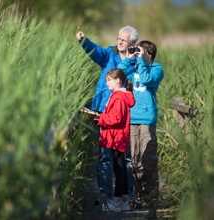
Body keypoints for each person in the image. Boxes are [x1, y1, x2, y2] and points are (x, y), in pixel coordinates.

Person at [76, 25, 139, 203]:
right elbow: (95, 52)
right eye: (118, 38)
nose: (119, 41)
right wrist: (83, 41)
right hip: (104, 109)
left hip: (124, 114)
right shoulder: (109, 55)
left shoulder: (136, 63)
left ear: (132, 43)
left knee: (124, 157)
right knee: (105, 155)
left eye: (123, 39)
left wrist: (136, 58)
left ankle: (126, 193)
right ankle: (105, 193)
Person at [118, 40, 164, 208]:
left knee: (148, 159)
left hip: (146, 119)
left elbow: (145, 79)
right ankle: (139, 198)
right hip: (132, 119)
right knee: (135, 161)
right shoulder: (135, 67)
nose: (138, 53)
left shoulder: (156, 69)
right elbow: (118, 76)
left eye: (141, 51)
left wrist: (141, 60)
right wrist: (128, 58)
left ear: (149, 54)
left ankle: (151, 198)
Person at [93, 68, 135, 212]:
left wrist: (100, 118)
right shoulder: (119, 96)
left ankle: (116, 201)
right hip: (118, 136)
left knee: (119, 169)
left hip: (116, 137)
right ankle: (124, 199)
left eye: (108, 80)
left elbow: (116, 118)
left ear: (118, 81)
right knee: (121, 167)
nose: (106, 83)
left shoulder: (118, 97)